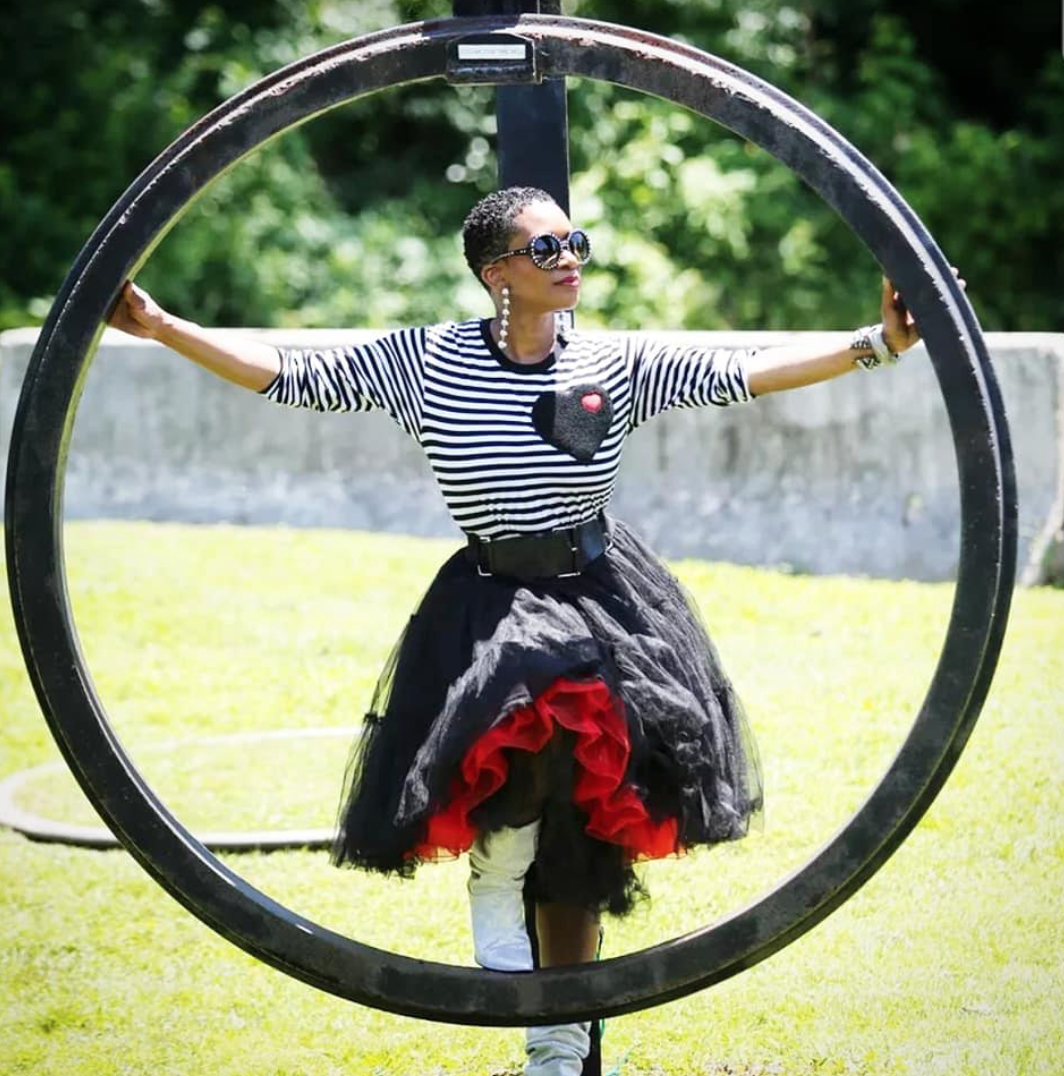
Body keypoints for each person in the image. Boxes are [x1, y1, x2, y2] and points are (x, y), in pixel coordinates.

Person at [109, 185, 942, 1076]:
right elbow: (287, 374)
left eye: (576, 242)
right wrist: (163, 327)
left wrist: (880, 343)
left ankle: (558, 1038)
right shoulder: (426, 362)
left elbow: (743, 370)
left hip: (600, 595)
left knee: (584, 817)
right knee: (527, 753)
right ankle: (502, 887)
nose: (570, 259)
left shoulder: (609, 362)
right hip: (489, 600)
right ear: (495, 273)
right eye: (546, 248)